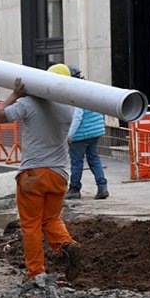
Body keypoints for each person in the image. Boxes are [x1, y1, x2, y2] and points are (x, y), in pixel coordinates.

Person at [0, 64, 82, 281]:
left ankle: (36, 273)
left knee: (31, 225)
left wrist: (15, 93)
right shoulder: (68, 108)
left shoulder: (28, 103)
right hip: (59, 174)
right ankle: (67, 245)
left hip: (34, 174)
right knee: (50, 219)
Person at [65, 65, 109, 200]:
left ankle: (74, 189)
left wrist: (69, 135)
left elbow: (77, 116)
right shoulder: (89, 88)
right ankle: (102, 188)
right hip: (95, 132)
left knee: (77, 162)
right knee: (94, 160)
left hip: (81, 134)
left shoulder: (76, 91)